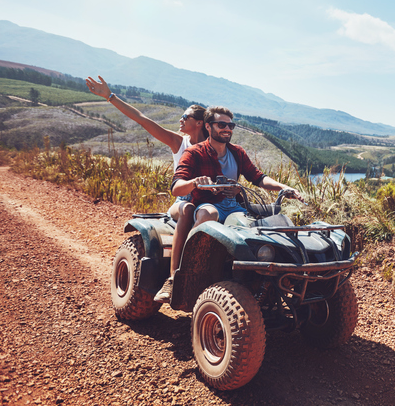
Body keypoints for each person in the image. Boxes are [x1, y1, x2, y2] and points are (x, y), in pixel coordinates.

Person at [156, 106, 303, 302]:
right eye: (222, 125)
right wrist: (194, 183)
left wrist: (283, 187)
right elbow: (176, 187)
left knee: (257, 226)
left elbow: (258, 178)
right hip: (206, 203)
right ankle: (186, 269)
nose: (227, 129)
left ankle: (264, 276)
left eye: (230, 125)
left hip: (234, 206)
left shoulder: (237, 152)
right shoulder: (194, 153)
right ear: (208, 126)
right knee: (208, 214)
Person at [84, 75, 207, 303]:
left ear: (199, 123)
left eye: (185, 116)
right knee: (189, 209)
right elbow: (142, 119)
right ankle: (175, 278)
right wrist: (110, 96)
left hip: (210, 204)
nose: (180, 120)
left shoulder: (214, 147)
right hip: (184, 203)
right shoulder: (179, 143)